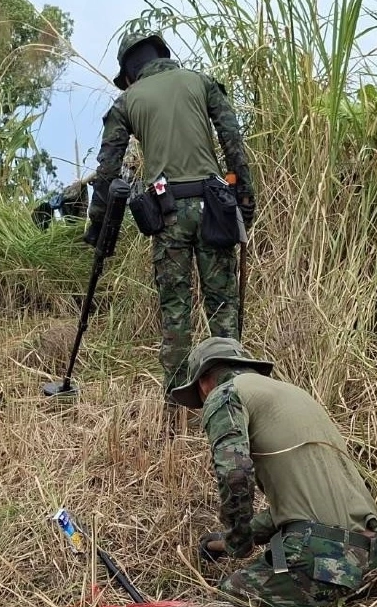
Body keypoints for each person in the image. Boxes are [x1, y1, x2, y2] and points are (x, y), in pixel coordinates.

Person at [170, 336, 377, 607]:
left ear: (204, 382)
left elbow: (234, 475)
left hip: (324, 554)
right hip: (374, 553)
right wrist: (224, 541)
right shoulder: (292, 396)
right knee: (290, 582)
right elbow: (298, 507)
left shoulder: (224, 395)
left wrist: (238, 539)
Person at [84, 30, 256, 399]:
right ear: (161, 55)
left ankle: (177, 406)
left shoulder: (126, 101)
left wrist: (98, 226)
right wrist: (244, 196)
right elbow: (232, 141)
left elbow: (107, 170)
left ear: (130, 73)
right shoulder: (201, 82)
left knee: (176, 313)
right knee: (223, 308)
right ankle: (233, 398)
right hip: (215, 208)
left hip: (167, 213)